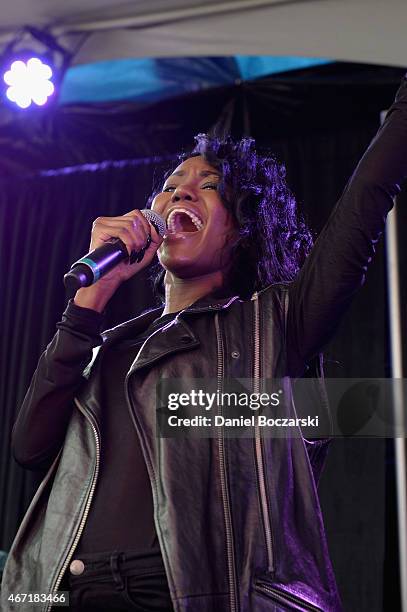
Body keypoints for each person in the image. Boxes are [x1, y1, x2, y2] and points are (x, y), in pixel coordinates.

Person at [2, 74, 407, 612]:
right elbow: (29, 448)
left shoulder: (272, 323)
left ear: (243, 229)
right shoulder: (109, 345)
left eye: (209, 184)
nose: (181, 192)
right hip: (72, 593)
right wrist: (87, 307)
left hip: (192, 594)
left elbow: (361, 209)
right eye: (170, 185)